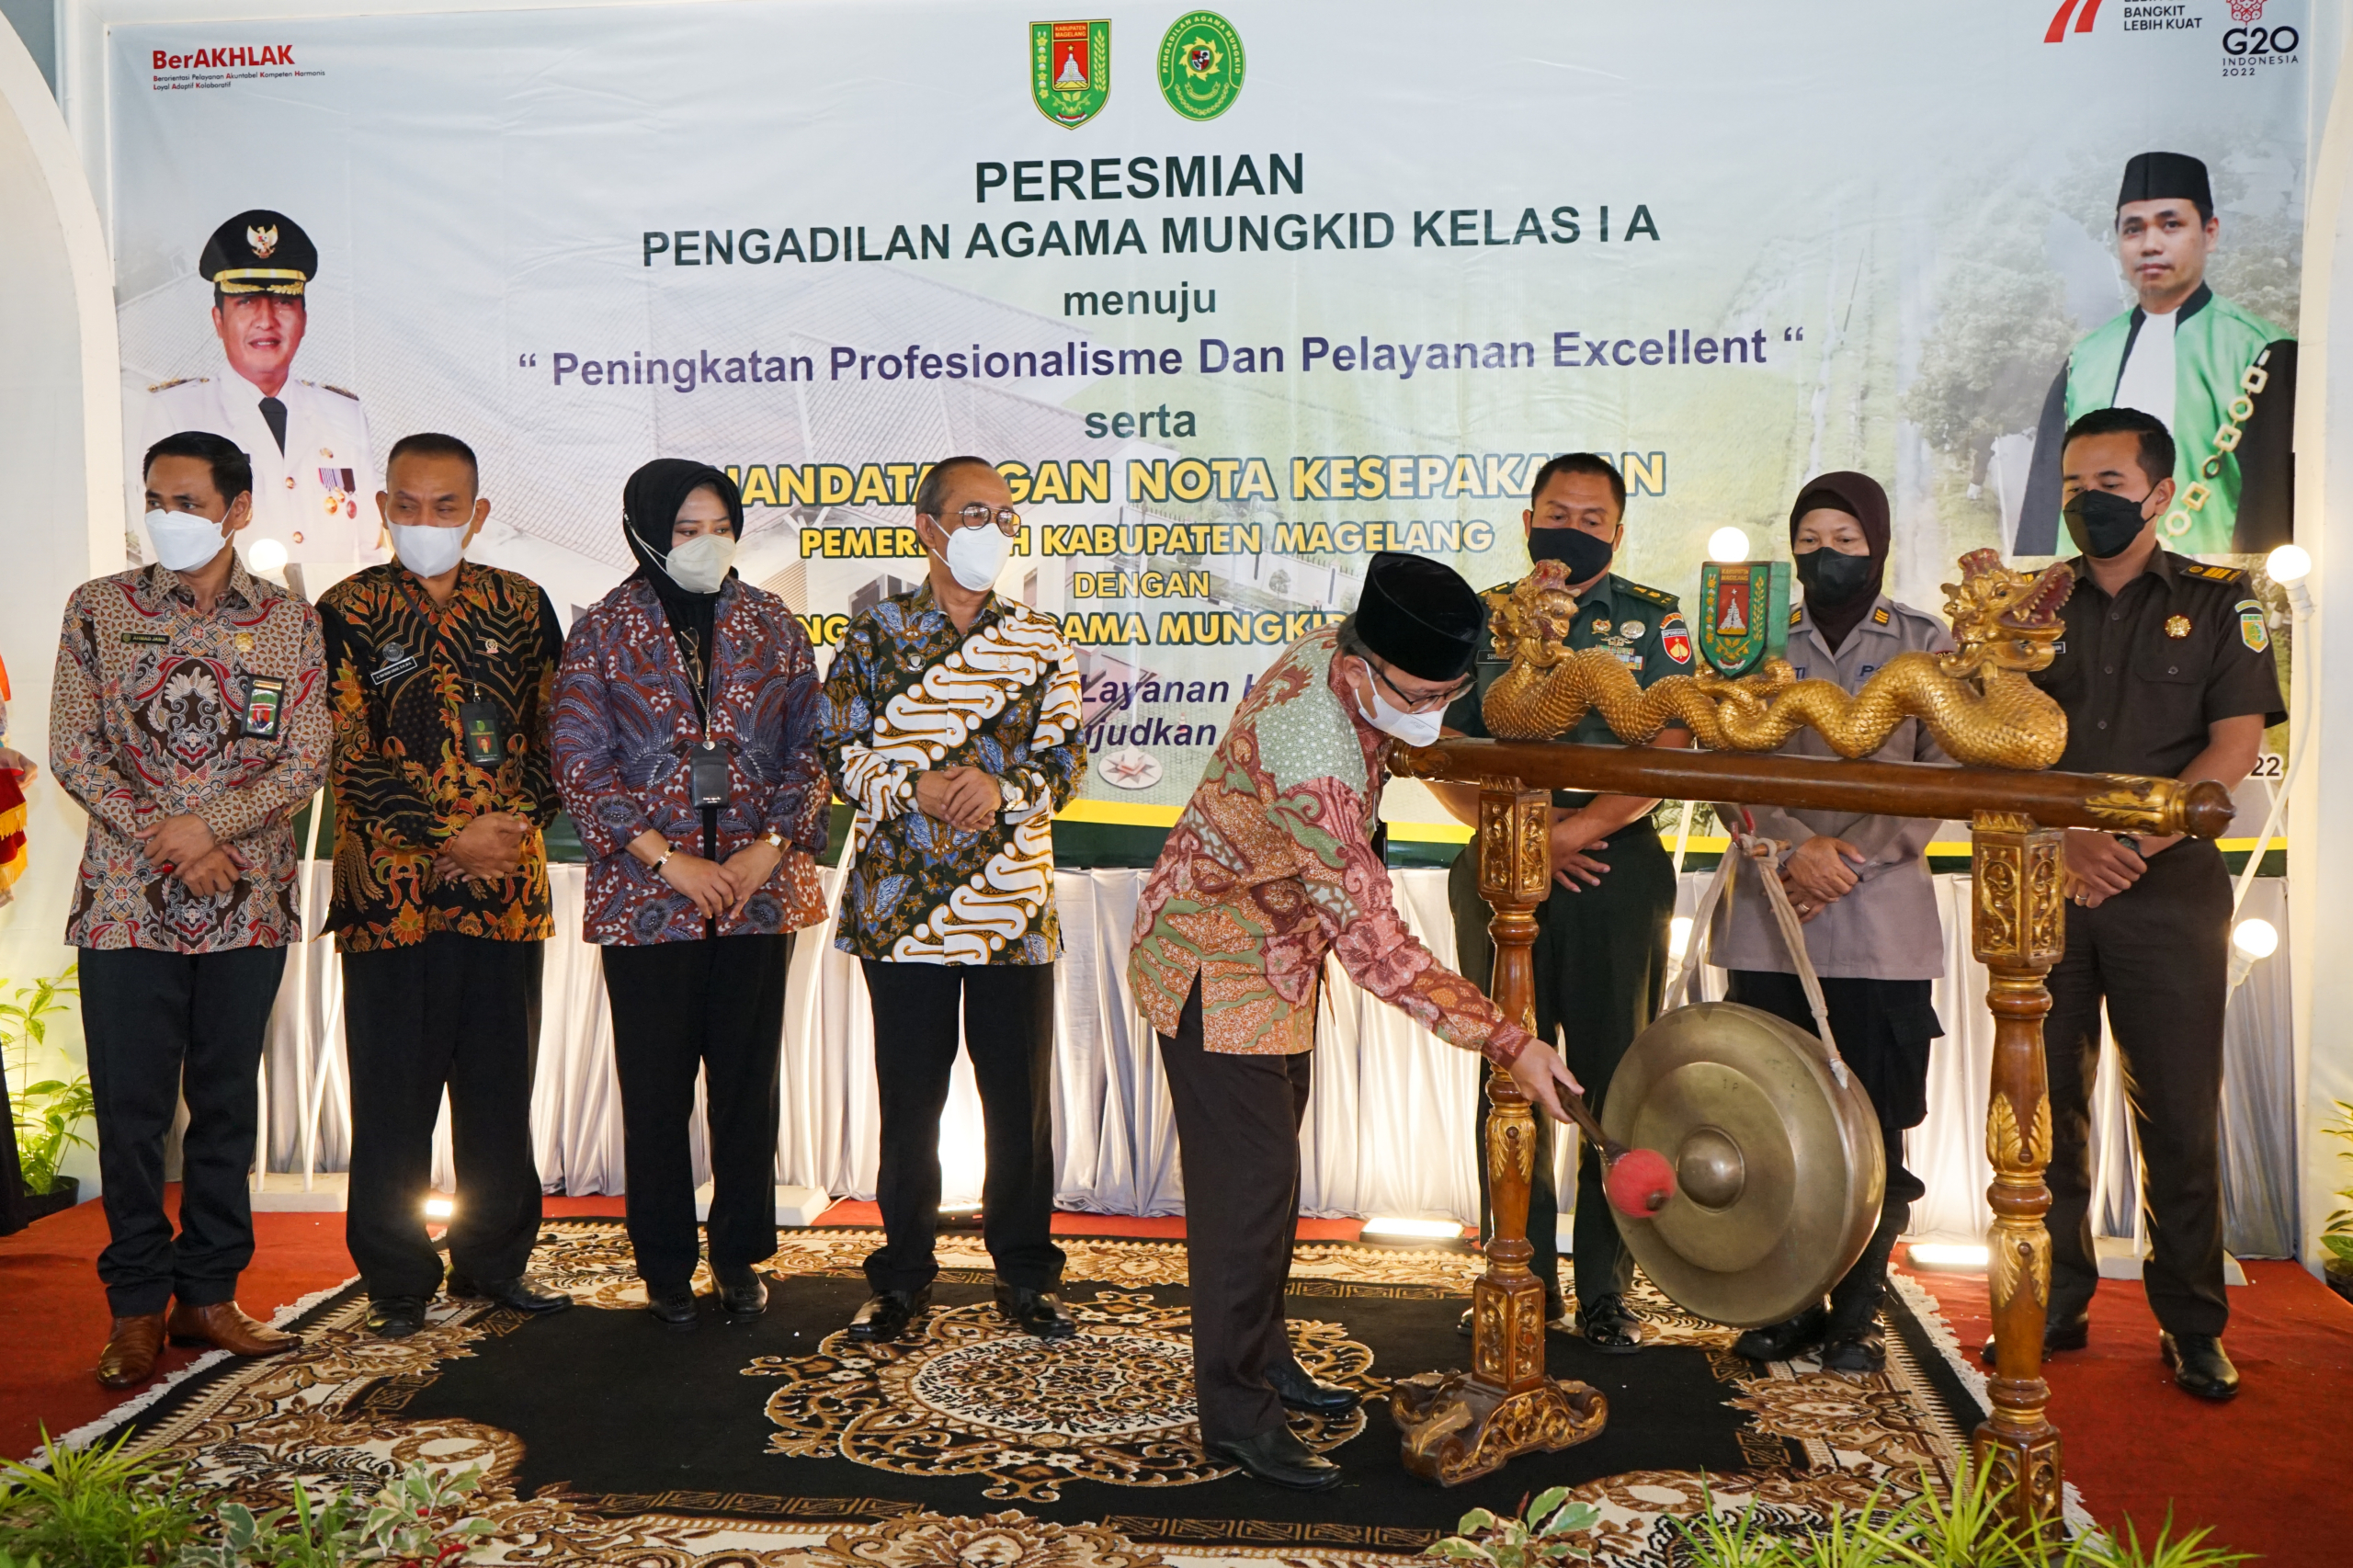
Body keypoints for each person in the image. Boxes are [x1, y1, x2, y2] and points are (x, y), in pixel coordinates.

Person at [1129, 551, 1585, 1491]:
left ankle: (1264, 1356)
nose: (1432, 710)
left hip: (1278, 961)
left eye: (1450, 691)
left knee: (1268, 1182)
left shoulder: (1342, 659)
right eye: (1420, 692)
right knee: (1243, 1202)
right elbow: (1378, 945)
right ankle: (1235, 1412)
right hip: (1214, 966)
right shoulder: (1313, 751)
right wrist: (1512, 1038)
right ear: (1363, 663)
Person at [1997, 406, 2281, 1401]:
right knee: (2045, 1112)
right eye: (2074, 485)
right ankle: (2057, 1302)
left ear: (2159, 494)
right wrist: (2066, 840)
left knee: (2176, 1115)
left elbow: (2232, 750)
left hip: (2167, 894)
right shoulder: (2027, 605)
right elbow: (1995, 739)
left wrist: (2121, 845)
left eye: (2108, 485)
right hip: (2046, 883)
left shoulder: (2215, 600)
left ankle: (2193, 1323)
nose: (2087, 502)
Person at [49, 430, 330, 1387]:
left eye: (188, 501)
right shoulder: (100, 609)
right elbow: (74, 748)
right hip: (127, 903)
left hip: (245, 902)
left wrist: (208, 829)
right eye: (155, 499)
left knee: (223, 1105)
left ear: (237, 510)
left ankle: (209, 1292)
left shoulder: (290, 623)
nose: (167, 517)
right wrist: (166, 836)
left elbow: (303, 758)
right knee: (131, 1113)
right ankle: (134, 1308)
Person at [815, 457, 1086, 1347]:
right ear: (929, 528)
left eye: (1007, 517)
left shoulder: (1043, 639)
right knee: (911, 1101)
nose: (994, 532)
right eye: (976, 513)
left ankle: (1026, 1273)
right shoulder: (874, 633)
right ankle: (900, 1277)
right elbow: (838, 754)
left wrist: (999, 786)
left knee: (1019, 1104)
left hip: (1007, 910)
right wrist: (915, 787)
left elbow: (1065, 763)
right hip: (903, 909)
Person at [552, 460, 829, 1327]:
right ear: (641, 531)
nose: (706, 545)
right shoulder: (601, 631)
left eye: (719, 528)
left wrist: (764, 852)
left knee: (747, 1088)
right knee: (657, 1090)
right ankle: (666, 1264)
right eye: (685, 530)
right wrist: (668, 860)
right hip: (649, 901)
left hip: (757, 896)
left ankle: (740, 1255)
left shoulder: (772, 622)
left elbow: (812, 749)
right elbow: (577, 760)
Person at [1427, 453, 1692, 1353]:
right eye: (1555, 510)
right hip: (1501, 875)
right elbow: (1445, 746)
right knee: (1506, 1071)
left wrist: (1573, 835)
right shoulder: (1485, 615)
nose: (1570, 525)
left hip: (1613, 870)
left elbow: (1671, 745)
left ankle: (1609, 1292)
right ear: (1527, 516)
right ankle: (1519, 1275)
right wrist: (1519, 843)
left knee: (1615, 1078)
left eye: (1591, 515)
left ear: (1616, 530)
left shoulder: (1656, 619)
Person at [317, 433, 571, 1339]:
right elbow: (343, 751)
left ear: (479, 512)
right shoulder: (345, 610)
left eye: (446, 506)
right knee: (393, 1095)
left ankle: (495, 1265)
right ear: (383, 507)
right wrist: (443, 836)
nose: (427, 521)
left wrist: (511, 827)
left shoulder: (521, 603)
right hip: (390, 897)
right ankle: (395, 1278)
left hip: (505, 889)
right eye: (410, 505)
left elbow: (561, 736)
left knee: (499, 1090)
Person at [1708, 472, 1953, 1373]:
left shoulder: (1926, 645)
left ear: (1876, 544)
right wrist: (1791, 850)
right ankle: (1783, 1302)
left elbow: (1940, 774)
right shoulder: (1752, 645)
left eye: (1844, 537)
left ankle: (1854, 1311)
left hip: (1880, 930)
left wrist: (1844, 859)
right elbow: (1726, 764)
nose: (1825, 553)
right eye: (1809, 535)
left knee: (1874, 1130)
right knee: (1771, 1125)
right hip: (1771, 920)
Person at [2018, 153, 2296, 557]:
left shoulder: (2261, 349)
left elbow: (2268, 503)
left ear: (2210, 232)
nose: (2150, 244)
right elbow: (2046, 496)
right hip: (2082, 587)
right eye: (2134, 229)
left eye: (2170, 225)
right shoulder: (2086, 358)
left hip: (2208, 587)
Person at [142, 210, 381, 575]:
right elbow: (157, 549)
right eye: (247, 301)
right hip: (228, 624)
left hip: (329, 622)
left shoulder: (343, 413)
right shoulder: (177, 412)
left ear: (304, 318)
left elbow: (368, 547)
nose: (266, 319)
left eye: (284, 301)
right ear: (218, 320)